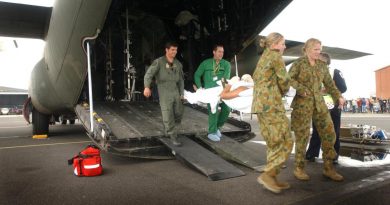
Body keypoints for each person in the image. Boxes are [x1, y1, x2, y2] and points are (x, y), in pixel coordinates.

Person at [289, 38, 345, 182]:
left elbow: (330, 85)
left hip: (319, 104)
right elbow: (289, 79)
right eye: (315, 49)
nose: (318, 52)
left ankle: (328, 168)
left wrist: (338, 96)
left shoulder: (322, 65)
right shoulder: (298, 63)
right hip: (303, 104)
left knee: (330, 133)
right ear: (307, 49)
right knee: (302, 136)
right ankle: (299, 168)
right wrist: (301, 89)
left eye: (319, 49)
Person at [252, 32, 293, 194]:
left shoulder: (263, 58)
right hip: (271, 105)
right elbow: (284, 81)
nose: (284, 46)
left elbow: (256, 78)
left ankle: (273, 177)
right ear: (275, 44)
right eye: (283, 43)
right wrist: (282, 92)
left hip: (260, 105)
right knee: (286, 140)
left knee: (273, 141)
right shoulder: (276, 57)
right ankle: (269, 174)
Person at [305, 52, 347, 164]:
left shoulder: (335, 71)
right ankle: (312, 153)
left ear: (324, 61)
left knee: (333, 131)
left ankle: (331, 156)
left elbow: (343, 88)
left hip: (333, 106)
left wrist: (329, 88)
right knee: (317, 130)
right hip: (319, 105)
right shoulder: (313, 71)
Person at [144, 41, 184, 146]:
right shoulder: (159, 62)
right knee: (168, 113)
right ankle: (172, 135)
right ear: (166, 50)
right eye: (172, 50)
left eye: (176, 50)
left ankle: (170, 130)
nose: (174, 52)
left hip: (175, 90)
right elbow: (149, 74)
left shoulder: (178, 63)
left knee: (178, 112)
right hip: (164, 90)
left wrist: (182, 93)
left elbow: (181, 80)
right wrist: (147, 87)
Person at [194, 44, 231, 142]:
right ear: (214, 52)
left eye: (222, 52)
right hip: (209, 92)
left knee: (227, 109)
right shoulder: (205, 63)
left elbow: (225, 79)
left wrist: (223, 92)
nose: (221, 54)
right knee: (213, 111)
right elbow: (197, 75)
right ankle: (211, 132)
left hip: (221, 91)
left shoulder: (226, 64)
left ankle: (217, 127)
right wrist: (199, 88)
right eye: (219, 51)